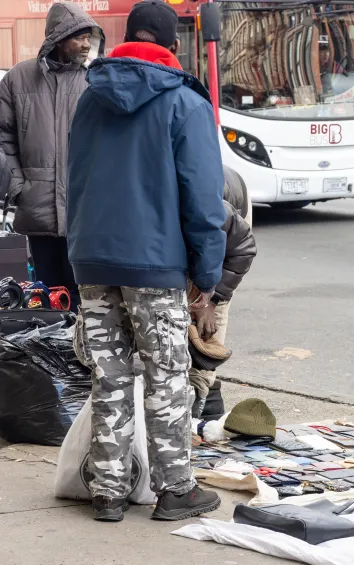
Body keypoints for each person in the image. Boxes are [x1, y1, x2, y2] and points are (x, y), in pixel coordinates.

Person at [66, 0, 227, 523]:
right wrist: (207, 275)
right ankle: (175, 488)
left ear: (126, 37)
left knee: (107, 374)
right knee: (167, 375)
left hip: (93, 258)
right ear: (172, 45)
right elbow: (204, 200)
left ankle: (108, 490)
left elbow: (76, 182)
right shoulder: (183, 101)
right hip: (155, 263)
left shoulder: (90, 99)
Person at [0, 2, 103, 312]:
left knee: (85, 297)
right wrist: (20, 186)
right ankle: (51, 356)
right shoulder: (18, 79)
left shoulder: (96, 80)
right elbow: (3, 138)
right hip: (38, 209)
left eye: (89, 37)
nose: (86, 44)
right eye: (79, 37)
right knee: (44, 296)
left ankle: (81, 358)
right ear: (58, 38)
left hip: (85, 211)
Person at [189, 166, 257, 419]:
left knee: (206, 329)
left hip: (231, 227)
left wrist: (213, 301)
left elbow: (242, 251)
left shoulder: (212, 209)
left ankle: (204, 404)